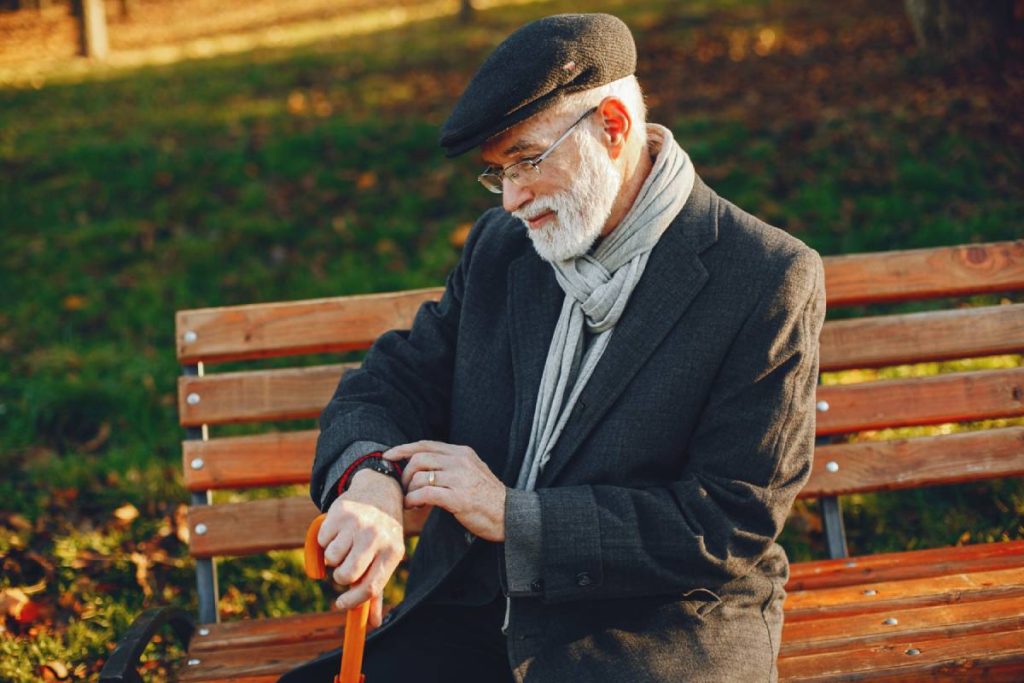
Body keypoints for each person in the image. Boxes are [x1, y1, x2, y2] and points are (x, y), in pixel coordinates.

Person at [280, 12, 825, 683]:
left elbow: (725, 522)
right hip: (474, 616)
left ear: (614, 128)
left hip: (650, 636)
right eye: (495, 172)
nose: (511, 198)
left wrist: (515, 516)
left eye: (527, 160)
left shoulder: (766, 276)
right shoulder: (503, 250)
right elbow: (386, 383)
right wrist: (370, 482)